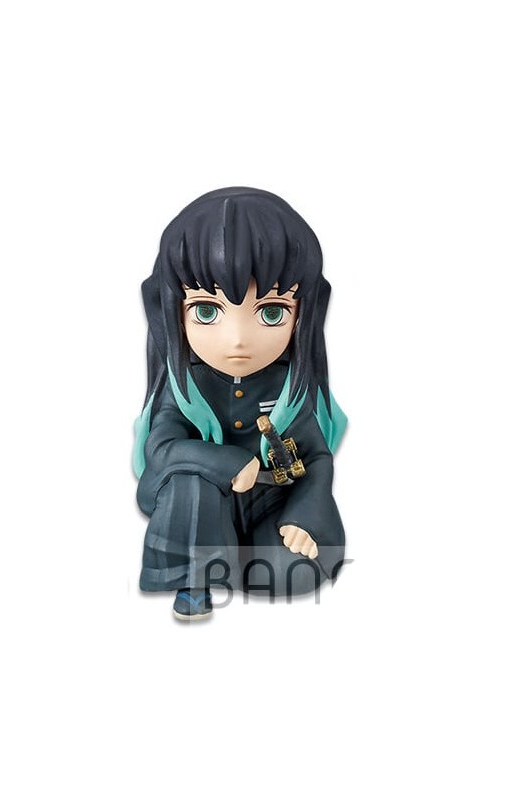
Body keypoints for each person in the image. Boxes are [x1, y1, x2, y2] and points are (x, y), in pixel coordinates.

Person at [133, 187, 347, 621]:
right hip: (199, 500)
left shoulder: (290, 387)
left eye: (271, 313)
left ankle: (235, 555)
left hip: (269, 496)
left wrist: (304, 513)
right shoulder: (186, 385)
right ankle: (194, 579)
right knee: (189, 483)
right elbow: (162, 449)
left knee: (291, 572)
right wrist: (226, 462)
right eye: (207, 311)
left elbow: (315, 458)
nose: (237, 340)